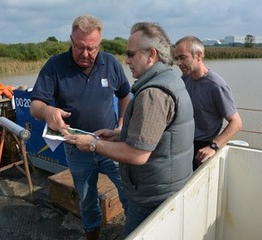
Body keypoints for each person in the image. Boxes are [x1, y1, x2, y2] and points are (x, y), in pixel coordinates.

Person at [64, 22, 194, 237]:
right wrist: (118, 134)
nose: (126, 60)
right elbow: (158, 133)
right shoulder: (171, 79)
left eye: (131, 54)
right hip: (171, 186)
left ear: (151, 55)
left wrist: (93, 144)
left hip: (153, 195)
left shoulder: (152, 94)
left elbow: (138, 154)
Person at [29, 15, 131, 240]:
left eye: (91, 49)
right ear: (71, 40)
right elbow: (35, 105)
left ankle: (136, 232)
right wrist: (47, 112)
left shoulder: (111, 63)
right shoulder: (55, 66)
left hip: (110, 144)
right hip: (76, 147)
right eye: (79, 47)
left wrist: (122, 123)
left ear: (100, 44)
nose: (85, 54)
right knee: (86, 200)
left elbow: (125, 94)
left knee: (129, 193)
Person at [174, 36, 242, 171]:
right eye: (176, 58)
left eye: (183, 57)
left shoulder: (216, 86)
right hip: (183, 142)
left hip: (202, 147)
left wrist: (213, 147)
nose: (178, 63)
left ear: (198, 55)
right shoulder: (185, 78)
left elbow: (236, 123)